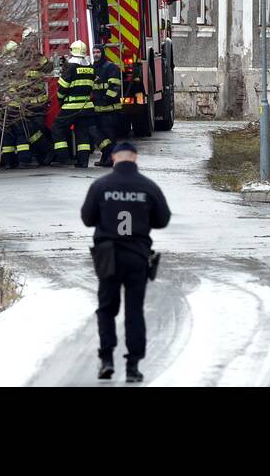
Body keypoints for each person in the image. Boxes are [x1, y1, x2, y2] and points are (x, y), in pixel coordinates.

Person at [80, 141, 170, 382]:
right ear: (135, 159)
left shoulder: (101, 186)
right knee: (134, 311)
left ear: (114, 158)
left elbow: (87, 218)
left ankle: (106, 359)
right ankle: (133, 366)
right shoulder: (148, 187)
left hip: (108, 255)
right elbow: (163, 220)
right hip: (137, 255)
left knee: (106, 308)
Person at [51, 40, 97, 167]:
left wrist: (60, 100)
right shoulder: (90, 67)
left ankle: (63, 157)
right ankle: (83, 162)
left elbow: (62, 88)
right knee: (82, 133)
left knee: (57, 129)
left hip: (71, 107)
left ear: (72, 51)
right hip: (87, 107)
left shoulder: (71, 67)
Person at [91, 44, 123, 168]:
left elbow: (114, 87)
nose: (95, 54)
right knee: (100, 135)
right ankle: (105, 158)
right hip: (98, 109)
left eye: (98, 52)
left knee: (110, 135)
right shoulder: (93, 68)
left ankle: (110, 160)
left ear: (103, 53)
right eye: (94, 52)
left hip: (110, 110)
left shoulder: (111, 68)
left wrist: (106, 99)